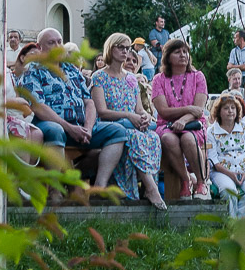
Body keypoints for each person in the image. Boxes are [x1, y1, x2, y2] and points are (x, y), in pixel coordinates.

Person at [17, 27, 132, 193]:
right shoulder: (32, 71)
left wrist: (88, 128)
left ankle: (98, 188)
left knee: (118, 131)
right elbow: (38, 107)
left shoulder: (71, 69)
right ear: (40, 47)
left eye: (59, 42)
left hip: (82, 125)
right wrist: (69, 128)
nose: (58, 46)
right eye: (51, 43)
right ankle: (55, 191)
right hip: (51, 124)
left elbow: (89, 102)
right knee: (55, 130)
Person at [91, 32, 167, 207]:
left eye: (127, 48)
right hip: (111, 125)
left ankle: (147, 187)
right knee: (134, 136)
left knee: (154, 135)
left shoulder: (131, 78)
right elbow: (102, 111)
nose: (125, 51)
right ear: (110, 48)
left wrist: (145, 117)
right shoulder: (99, 77)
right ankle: (151, 188)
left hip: (132, 123)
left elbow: (139, 109)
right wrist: (128, 115)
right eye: (121, 47)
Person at [151, 38, 211, 201]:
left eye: (185, 51)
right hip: (167, 125)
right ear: (168, 57)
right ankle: (186, 180)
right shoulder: (159, 79)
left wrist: (184, 120)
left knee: (187, 138)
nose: (183, 55)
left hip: (193, 124)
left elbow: (198, 110)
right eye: (177, 52)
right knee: (168, 139)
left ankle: (201, 182)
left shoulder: (198, 76)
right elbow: (163, 111)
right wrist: (187, 109)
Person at [207, 94, 245, 219]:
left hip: (243, 169)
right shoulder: (211, 131)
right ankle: (233, 223)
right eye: (226, 108)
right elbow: (213, 160)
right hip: (221, 171)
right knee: (229, 191)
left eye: (233, 108)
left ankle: (235, 220)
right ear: (218, 111)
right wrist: (231, 174)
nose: (230, 111)